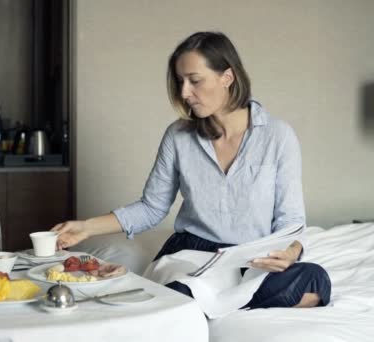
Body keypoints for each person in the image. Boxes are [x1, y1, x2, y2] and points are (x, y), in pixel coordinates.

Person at [51, 31, 331, 309]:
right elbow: (151, 207)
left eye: (195, 81)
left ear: (227, 77)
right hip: (190, 255)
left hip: (250, 258)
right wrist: (85, 227)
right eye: (180, 82)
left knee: (314, 281)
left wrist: (291, 252)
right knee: (180, 292)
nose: (185, 93)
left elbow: (291, 219)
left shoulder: (278, 136)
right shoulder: (178, 135)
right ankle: (211, 303)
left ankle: (212, 304)